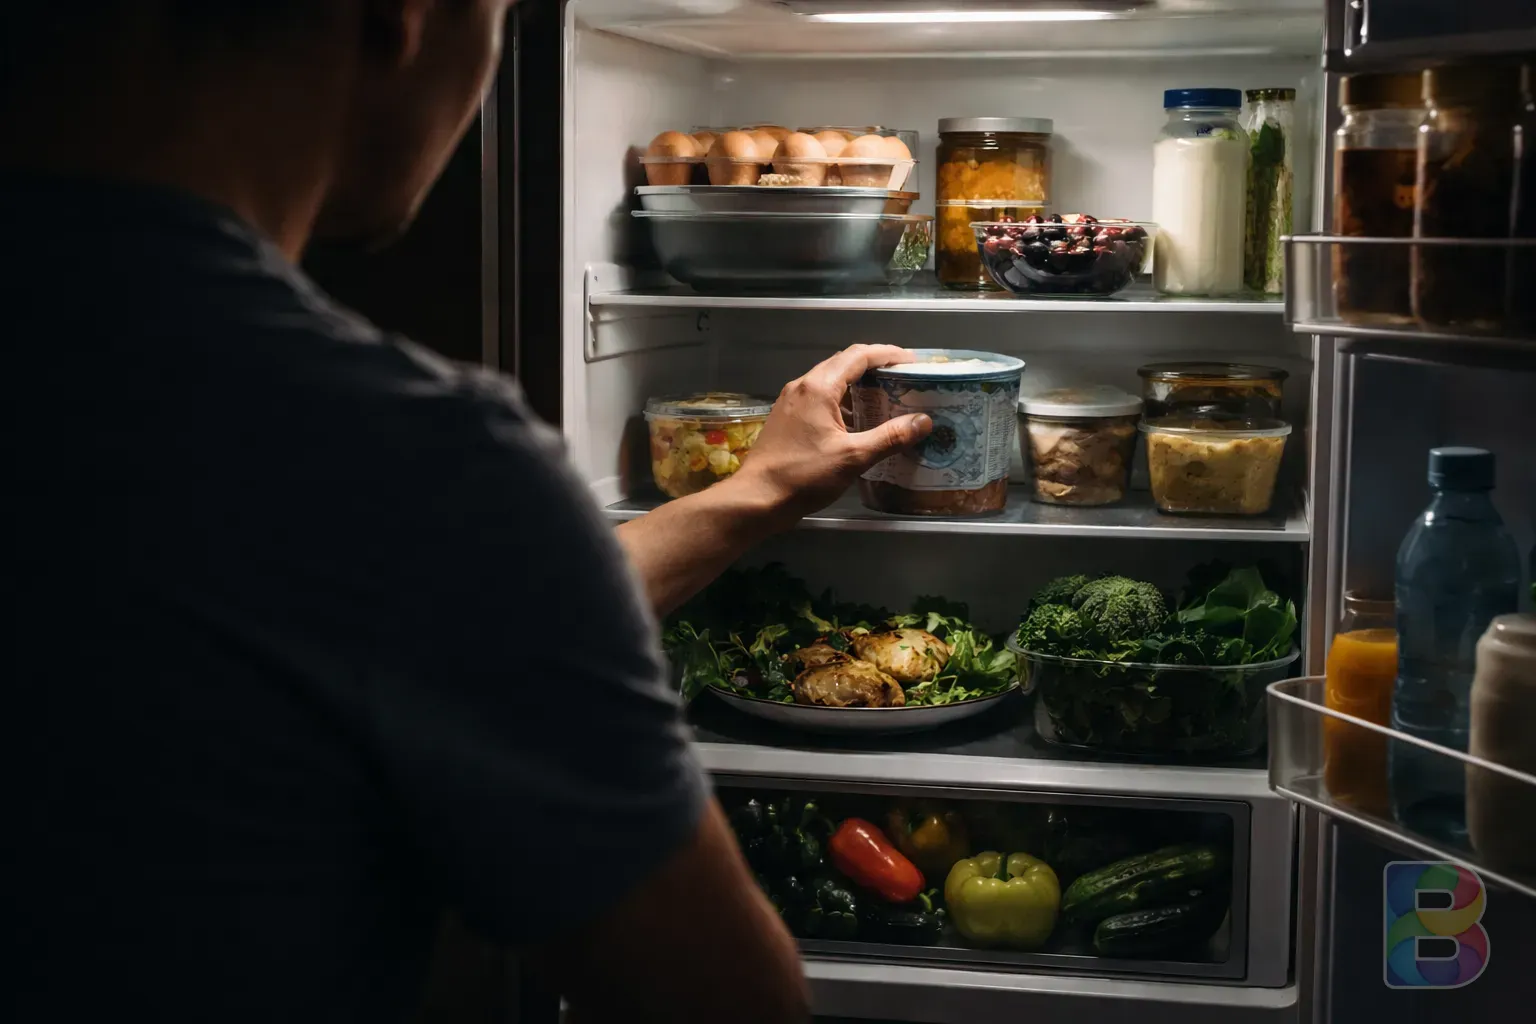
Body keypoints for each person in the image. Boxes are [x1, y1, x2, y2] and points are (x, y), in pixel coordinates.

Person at [5, 3, 932, 1023]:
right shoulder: (406, 462)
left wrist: (756, 491)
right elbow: (721, 997)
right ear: (400, 20)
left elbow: (423, 626)